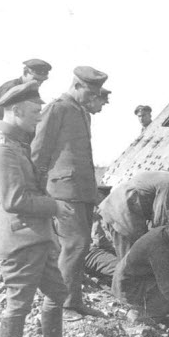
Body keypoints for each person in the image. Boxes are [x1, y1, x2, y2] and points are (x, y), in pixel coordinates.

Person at [0, 81, 83, 337]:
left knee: (57, 292)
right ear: (14, 110)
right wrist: (54, 206)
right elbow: (13, 199)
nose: (39, 118)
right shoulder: (2, 148)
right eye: (35, 112)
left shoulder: (15, 144)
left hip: (33, 236)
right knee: (18, 306)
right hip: (19, 240)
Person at [31, 66, 108, 321]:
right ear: (76, 85)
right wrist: (36, 186)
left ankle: (73, 300)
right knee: (75, 244)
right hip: (64, 189)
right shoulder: (58, 108)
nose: (93, 97)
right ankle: (62, 304)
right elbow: (39, 150)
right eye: (91, 91)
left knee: (80, 245)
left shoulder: (82, 112)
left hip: (82, 191)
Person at [111, 207, 169, 333]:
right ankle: (143, 316)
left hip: (130, 276)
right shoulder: (161, 249)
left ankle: (163, 315)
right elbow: (168, 289)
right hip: (128, 288)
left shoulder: (163, 232)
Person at [98, 166, 169, 258]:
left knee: (132, 252)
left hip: (115, 208)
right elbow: (160, 216)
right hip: (122, 214)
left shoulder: (165, 176)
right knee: (130, 257)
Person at [0, 59, 51, 158]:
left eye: (42, 80)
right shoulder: (10, 89)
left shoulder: (30, 90)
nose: (39, 83)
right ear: (25, 73)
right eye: (36, 79)